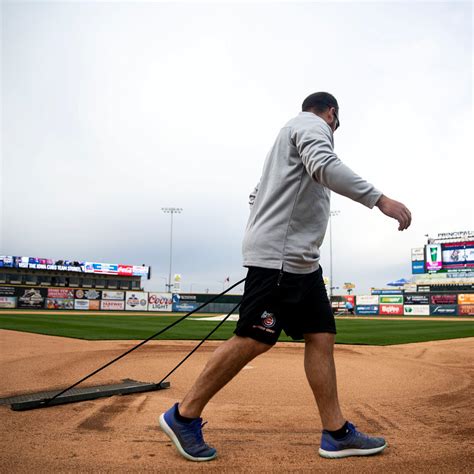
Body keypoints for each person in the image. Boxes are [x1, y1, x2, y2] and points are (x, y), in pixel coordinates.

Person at [159, 92, 412, 461]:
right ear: (331, 113)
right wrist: (379, 199)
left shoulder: (285, 145)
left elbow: (255, 194)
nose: (334, 128)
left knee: (321, 336)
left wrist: (269, 228)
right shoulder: (310, 124)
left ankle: (336, 432)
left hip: (302, 263)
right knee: (254, 339)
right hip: (280, 259)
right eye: (335, 123)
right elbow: (324, 165)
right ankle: (184, 416)